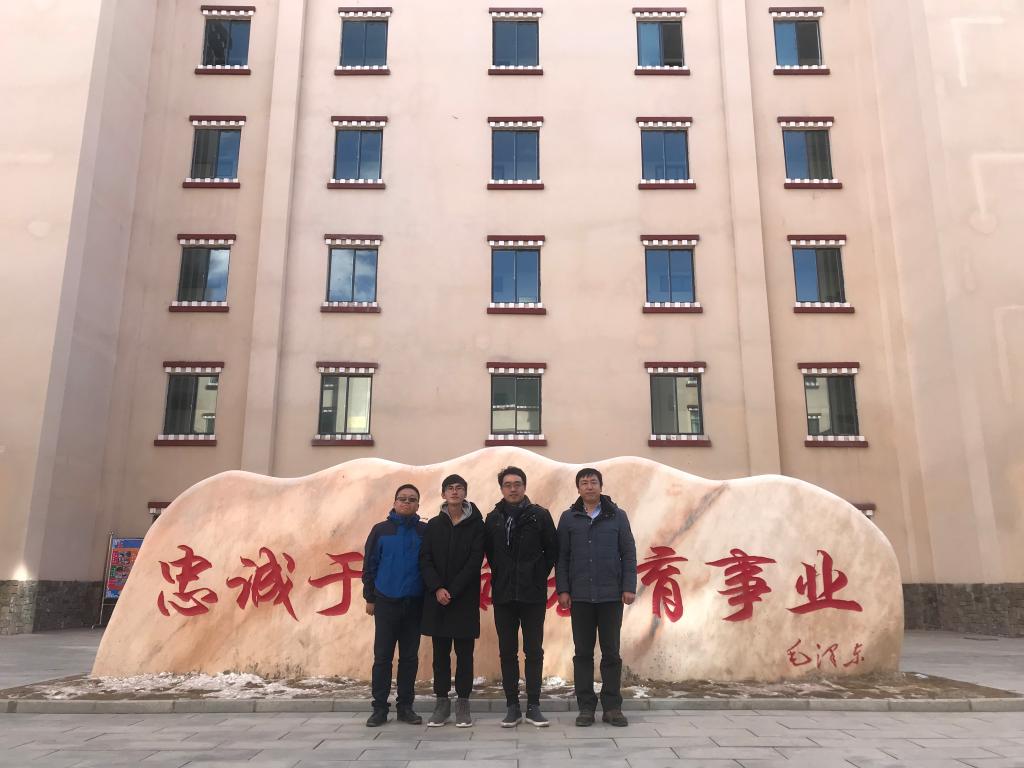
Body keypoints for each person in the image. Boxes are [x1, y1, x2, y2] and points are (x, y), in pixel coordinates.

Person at [556, 467, 637, 727]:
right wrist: (563, 589)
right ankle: (586, 708)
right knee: (582, 653)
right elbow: (562, 557)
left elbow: (628, 553)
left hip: (611, 595)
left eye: (593, 482)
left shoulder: (617, 516)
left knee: (611, 652)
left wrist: (628, 586)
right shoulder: (569, 518)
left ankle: (612, 707)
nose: (589, 487)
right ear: (578, 488)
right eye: (584, 483)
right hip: (580, 596)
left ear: (601, 486)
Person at [484, 466, 558, 727]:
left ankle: (534, 705)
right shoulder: (493, 518)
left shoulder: (540, 515)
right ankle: (512, 706)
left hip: (532, 595)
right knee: (507, 652)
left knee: (533, 650)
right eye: (508, 484)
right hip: (503, 594)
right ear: (501, 488)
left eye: (517, 484)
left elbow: (552, 551)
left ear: (524, 486)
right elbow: (490, 553)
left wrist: (536, 574)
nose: (513, 489)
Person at [420, 473, 485, 727]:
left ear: (465, 493)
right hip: (438, 600)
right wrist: (437, 588)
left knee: (465, 655)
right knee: (440, 655)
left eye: (459, 488)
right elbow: (425, 559)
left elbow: (474, 561)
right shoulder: (434, 525)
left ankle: (463, 703)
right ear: (443, 494)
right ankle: (441, 703)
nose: (455, 492)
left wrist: (453, 590)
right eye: (450, 488)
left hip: (464, 599)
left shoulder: (477, 525)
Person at [361, 483, 428, 727]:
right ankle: (379, 708)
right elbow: (370, 565)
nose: (407, 502)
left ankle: (405, 707)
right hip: (386, 602)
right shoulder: (381, 530)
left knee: (409, 658)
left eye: (412, 499)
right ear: (394, 502)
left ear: (418, 505)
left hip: (414, 603)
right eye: (402, 498)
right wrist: (370, 597)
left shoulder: (424, 531)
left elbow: (429, 565)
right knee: (382, 658)